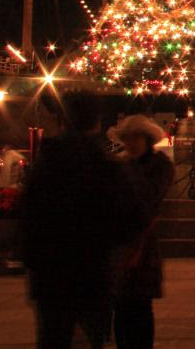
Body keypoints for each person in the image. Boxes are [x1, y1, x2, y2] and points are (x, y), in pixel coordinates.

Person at [21, 92, 142, 348]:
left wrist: (32, 259)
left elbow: (28, 213)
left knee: (53, 336)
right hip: (93, 268)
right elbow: (129, 216)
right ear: (97, 122)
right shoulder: (106, 165)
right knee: (93, 335)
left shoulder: (46, 163)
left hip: (50, 270)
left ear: (62, 120)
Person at [109, 115, 174, 349]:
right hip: (118, 241)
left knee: (140, 304)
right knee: (120, 305)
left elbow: (149, 199)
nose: (131, 143)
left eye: (136, 137)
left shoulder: (158, 166)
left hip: (142, 241)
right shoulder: (120, 165)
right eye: (127, 138)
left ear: (147, 139)